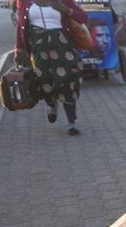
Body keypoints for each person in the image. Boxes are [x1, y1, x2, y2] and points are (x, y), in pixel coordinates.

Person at [14, 0, 87, 135]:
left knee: (67, 82)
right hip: (38, 46)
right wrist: (18, 48)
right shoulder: (25, 2)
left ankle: (72, 122)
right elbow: (20, 25)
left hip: (62, 45)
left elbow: (83, 17)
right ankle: (52, 104)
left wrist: (66, 9)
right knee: (44, 81)